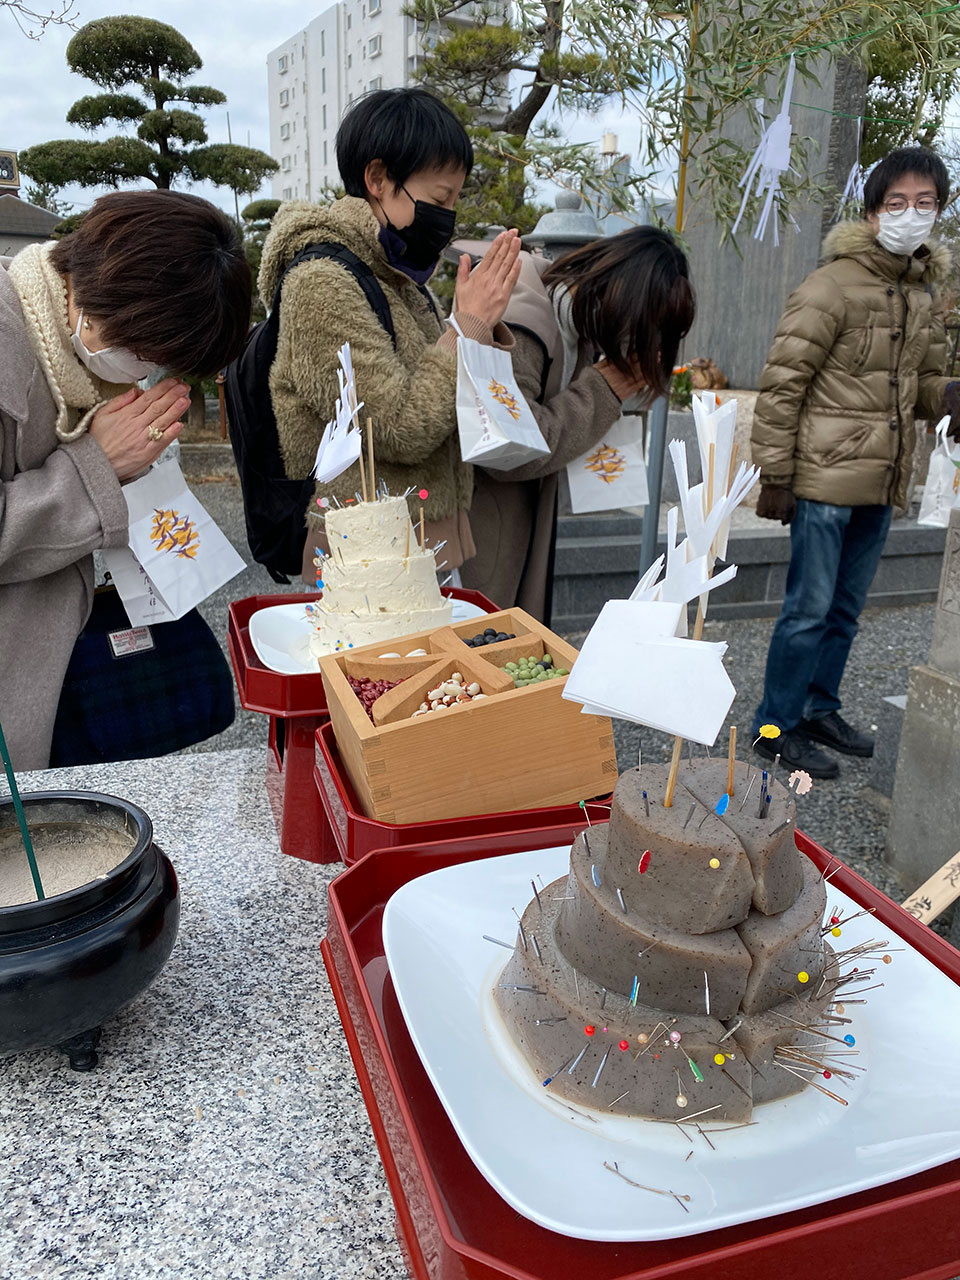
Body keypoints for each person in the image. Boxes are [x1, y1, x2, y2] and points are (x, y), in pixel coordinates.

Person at [0, 189, 251, 771]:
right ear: (109, 292)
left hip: (67, 671)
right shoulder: (11, 339)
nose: (147, 369)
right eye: (145, 350)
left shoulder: (83, 356)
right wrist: (98, 467)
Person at [750, 146, 957, 779]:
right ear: (871, 213)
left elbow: (920, 384)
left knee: (844, 609)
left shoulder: (921, 294)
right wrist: (776, 475)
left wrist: (947, 394)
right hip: (823, 478)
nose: (910, 214)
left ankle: (819, 709)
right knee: (806, 610)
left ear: (940, 212)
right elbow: (784, 382)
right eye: (897, 203)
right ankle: (772, 727)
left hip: (882, 476)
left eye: (925, 203)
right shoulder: (830, 286)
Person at [257, 87, 521, 580]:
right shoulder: (322, 283)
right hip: (368, 557)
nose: (447, 217)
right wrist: (468, 326)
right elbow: (393, 427)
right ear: (377, 179)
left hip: (421, 537)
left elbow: (440, 389)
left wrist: (479, 327)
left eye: (454, 200)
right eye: (440, 198)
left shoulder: (399, 279)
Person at [459, 226, 696, 619]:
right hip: (482, 534)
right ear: (625, 304)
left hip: (513, 528)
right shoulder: (523, 319)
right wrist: (603, 390)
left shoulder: (574, 323)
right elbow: (508, 450)